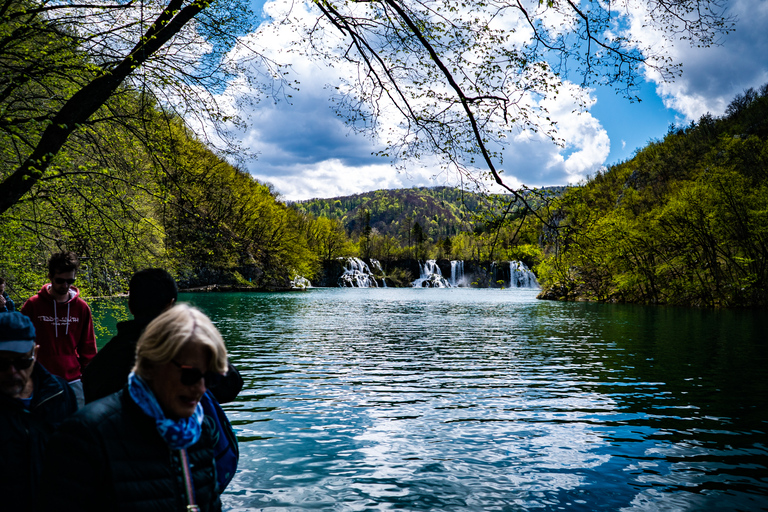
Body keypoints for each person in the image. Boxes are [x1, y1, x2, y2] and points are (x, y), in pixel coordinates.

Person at [41, 305, 235, 511]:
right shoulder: (85, 435)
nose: (201, 388)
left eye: (211, 377)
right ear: (152, 364)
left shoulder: (200, 431)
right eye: (191, 375)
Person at [82, 268, 243, 404]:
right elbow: (231, 385)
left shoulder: (99, 365)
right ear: (170, 305)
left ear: (130, 306)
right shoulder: (186, 354)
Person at [0, 312, 78, 512]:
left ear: (35, 353)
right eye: (1, 363)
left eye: (21, 362)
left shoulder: (60, 393)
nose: (12, 371)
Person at [21, 251, 96, 408]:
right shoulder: (33, 305)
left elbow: (88, 347)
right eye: (60, 280)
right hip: (40, 377)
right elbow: (22, 343)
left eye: (70, 281)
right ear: (50, 277)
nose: (65, 285)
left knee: (77, 425)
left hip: (74, 378)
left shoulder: (82, 308)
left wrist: (90, 377)